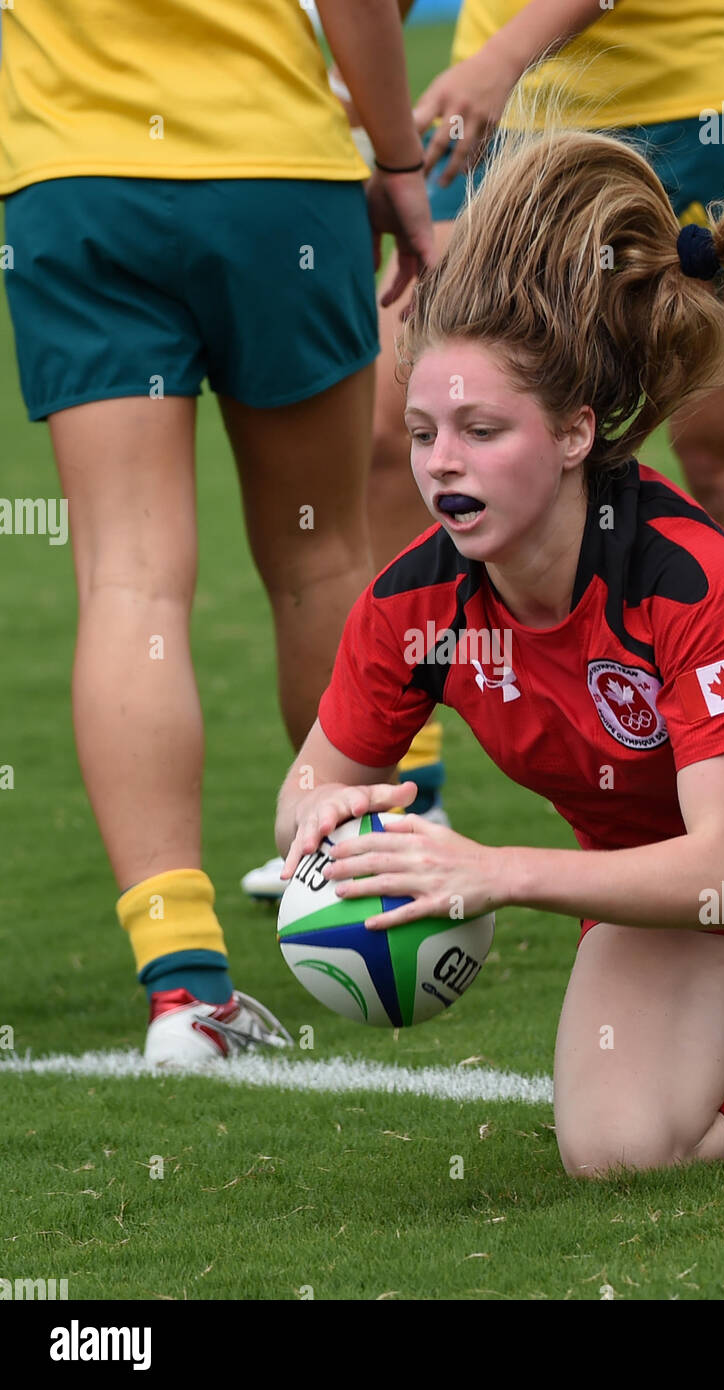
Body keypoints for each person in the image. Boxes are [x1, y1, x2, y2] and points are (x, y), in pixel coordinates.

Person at [275, 118, 724, 1173]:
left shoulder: (681, 573)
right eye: (428, 433)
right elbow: (306, 789)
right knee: (616, 1149)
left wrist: (495, 871)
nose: (443, 467)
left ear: (574, 433)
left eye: (484, 433)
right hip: (667, 890)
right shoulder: (409, 608)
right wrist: (322, 819)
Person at [0, 0, 435, 1062]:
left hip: (72, 180)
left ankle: (184, 989)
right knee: (318, 554)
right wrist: (401, 162)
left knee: (129, 581)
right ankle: (377, 877)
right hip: (274, 172)